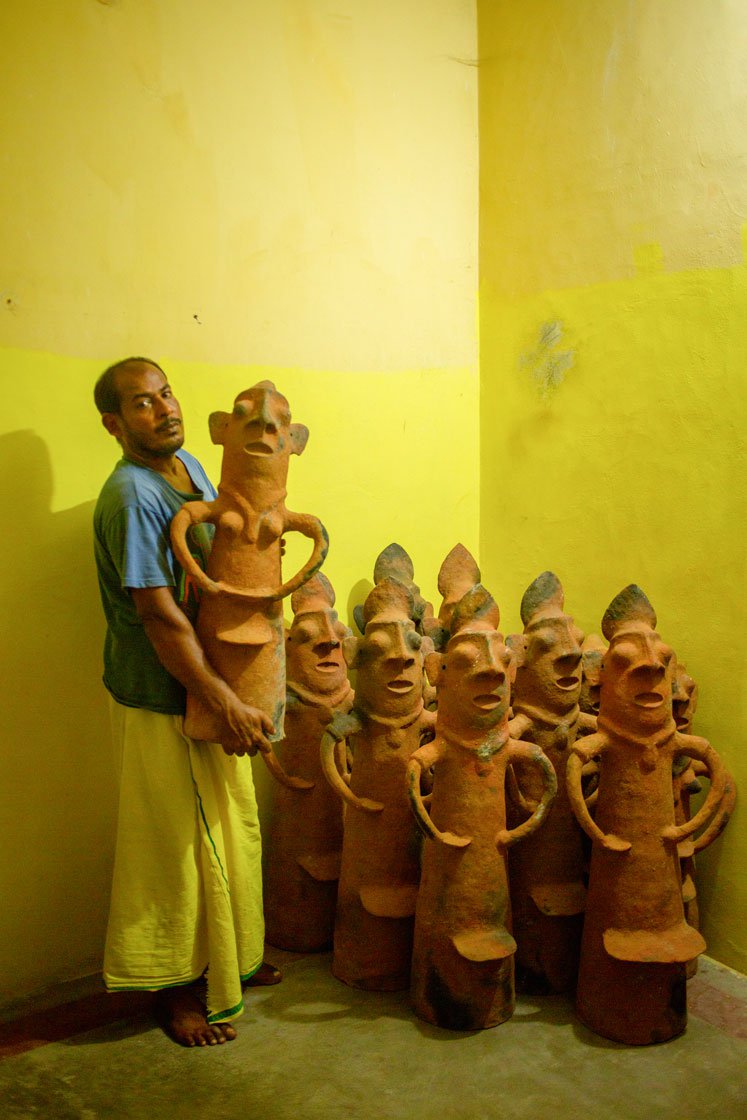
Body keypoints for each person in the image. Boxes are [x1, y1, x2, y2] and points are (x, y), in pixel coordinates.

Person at [93, 356, 281, 1048]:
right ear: (115, 424)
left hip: (209, 684)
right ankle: (175, 988)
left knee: (233, 825)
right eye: (142, 404)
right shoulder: (133, 497)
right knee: (173, 847)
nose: (163, 408)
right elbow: (160, 615)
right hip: (160, 694)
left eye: (166, 393)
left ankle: (233, 957)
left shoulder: (193, 471)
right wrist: (221, 700)